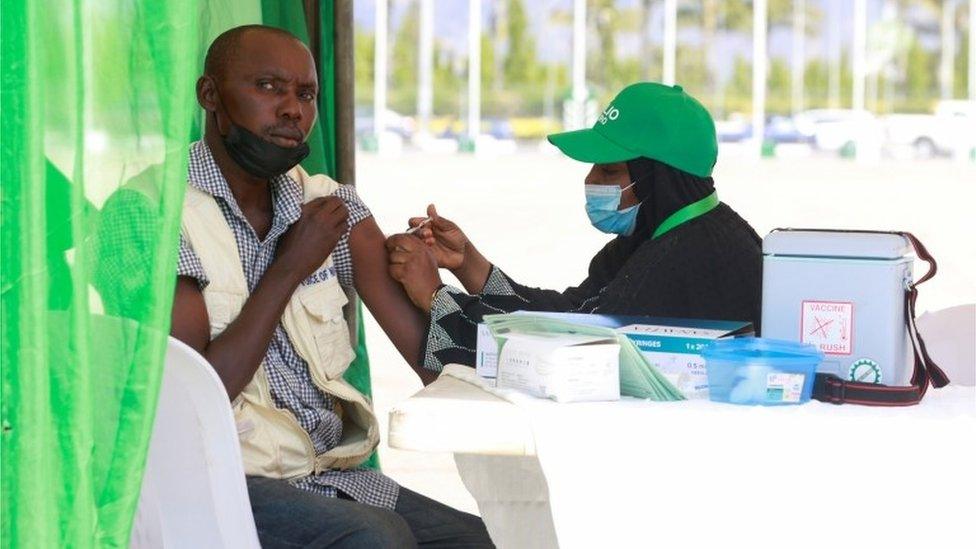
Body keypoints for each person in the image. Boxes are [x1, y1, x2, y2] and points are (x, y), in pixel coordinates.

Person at [169, 25, 492, 548]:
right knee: (377, 540)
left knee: (486, 540)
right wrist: (291, 265)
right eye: (269, 87)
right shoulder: (160, 214)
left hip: (329, 474)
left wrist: (435, 293)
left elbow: (433, 366)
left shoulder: (329, 208)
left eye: (307, 94)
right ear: (210, 96)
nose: (293, 109)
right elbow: (192, 400)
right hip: (217, 479)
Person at [386, 82, 763, 372]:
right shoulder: (662, 235)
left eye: (610, 170)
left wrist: (435, 296)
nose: (592, 179)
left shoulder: (687, 256)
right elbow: (573, 311)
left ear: (656, 177)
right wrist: (468, 262)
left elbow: (568, 350)